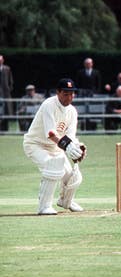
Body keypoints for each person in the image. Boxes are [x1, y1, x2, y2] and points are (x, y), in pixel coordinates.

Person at [23, 78, 86, 215]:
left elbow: (70, 136)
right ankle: (44, 206)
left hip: (55, 147)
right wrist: (67, 146)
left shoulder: (72, 111)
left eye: (72, 94)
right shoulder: (49, 105)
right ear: (58, 92)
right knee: (53, 166)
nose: (69, 97)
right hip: (35, 144)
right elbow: (51, 134)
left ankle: (66, 201)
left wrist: (76, 149)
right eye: (65, 94)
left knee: (73, 176)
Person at [0, 54, 15, 130]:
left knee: (6, 110)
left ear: (3, 60)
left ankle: (5, 128)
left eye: (1, 60)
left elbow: (10, 80)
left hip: (5, 93)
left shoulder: (7, 69)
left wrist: (9, 89)